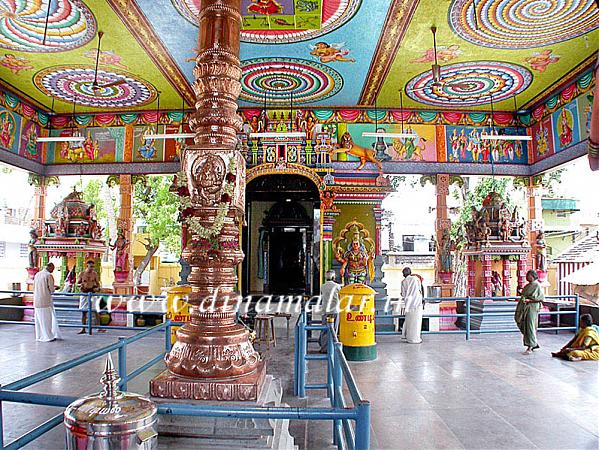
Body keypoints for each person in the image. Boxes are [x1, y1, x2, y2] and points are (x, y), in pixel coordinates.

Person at [515, 270, 544, 355]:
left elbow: (540, 297)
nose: (527, 277)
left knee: (530, 325)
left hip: (532, 308)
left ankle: (530, 346)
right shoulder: (528, 286)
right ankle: (533, 342)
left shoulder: (537, 285)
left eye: (528, 275)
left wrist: (529, 300)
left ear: (533, 276)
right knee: (522, 323)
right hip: (524, 307)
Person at [33, 263, 62, 342]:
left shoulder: (37, 274)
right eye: (53, 268)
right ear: (49, 267)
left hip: (36, 300)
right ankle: (48, 336)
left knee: (39, 321)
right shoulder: (48, 275)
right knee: (47, 320)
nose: (53, 270)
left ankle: (40, 336)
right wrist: (56, 288)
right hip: (45, 300)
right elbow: (51, 289)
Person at [318, 270, 342, 353]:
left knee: (324, 330)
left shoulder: (322, 286)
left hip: (325, 311)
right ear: (334, 277)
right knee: (334, 330)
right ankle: (332, 349)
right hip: (335, 311)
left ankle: (324, 348)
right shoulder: (337, 286)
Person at [401, 267, 423, 344]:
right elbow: (420, 290)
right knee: (416, 322)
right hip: (417, 303)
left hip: (408, 304)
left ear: (403, 274)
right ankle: (416, 338)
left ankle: (408, 337)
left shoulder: (403, 281)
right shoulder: (416, 279)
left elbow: (403, 294)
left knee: (409, 321)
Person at [77, 260, 101, 334]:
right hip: (84, 293)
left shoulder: (95, 274)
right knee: (84, 312)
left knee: (95, 311)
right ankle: (83, 328)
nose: (92, 268)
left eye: (93, 267)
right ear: (87, 266)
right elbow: (77, 283)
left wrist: (97, 288)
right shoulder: (82, 274)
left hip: (92, 292)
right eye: (91, 267)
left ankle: (99, 327)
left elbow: (98, 284)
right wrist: (80, 285)